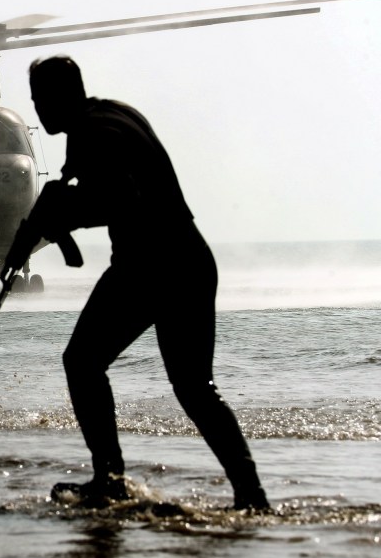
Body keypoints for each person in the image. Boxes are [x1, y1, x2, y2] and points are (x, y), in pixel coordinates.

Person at [24, 56, 269, 510]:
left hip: (151, 263)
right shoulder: (116, 112)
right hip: (190, 257)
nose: (38, 111)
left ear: (63, 96)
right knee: (195, 388)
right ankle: (251, 496)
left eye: (41, 100)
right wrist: (60, 213)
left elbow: (119, 199)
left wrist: (63, 217)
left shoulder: (90, 132)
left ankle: (110, 479)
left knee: (82, 362)